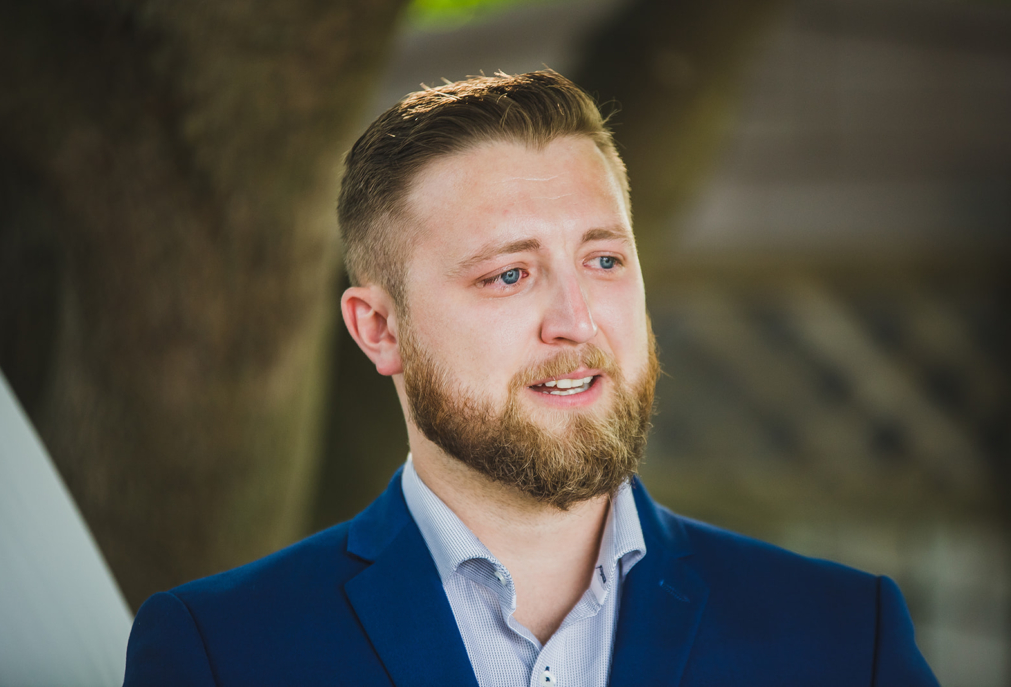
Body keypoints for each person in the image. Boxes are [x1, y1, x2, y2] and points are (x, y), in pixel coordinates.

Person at [122, 70, 939, 686]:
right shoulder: (222, 650)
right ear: (379, 329)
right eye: (508, 275)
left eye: (605, 259)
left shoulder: (842, 637)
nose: (577, 320)